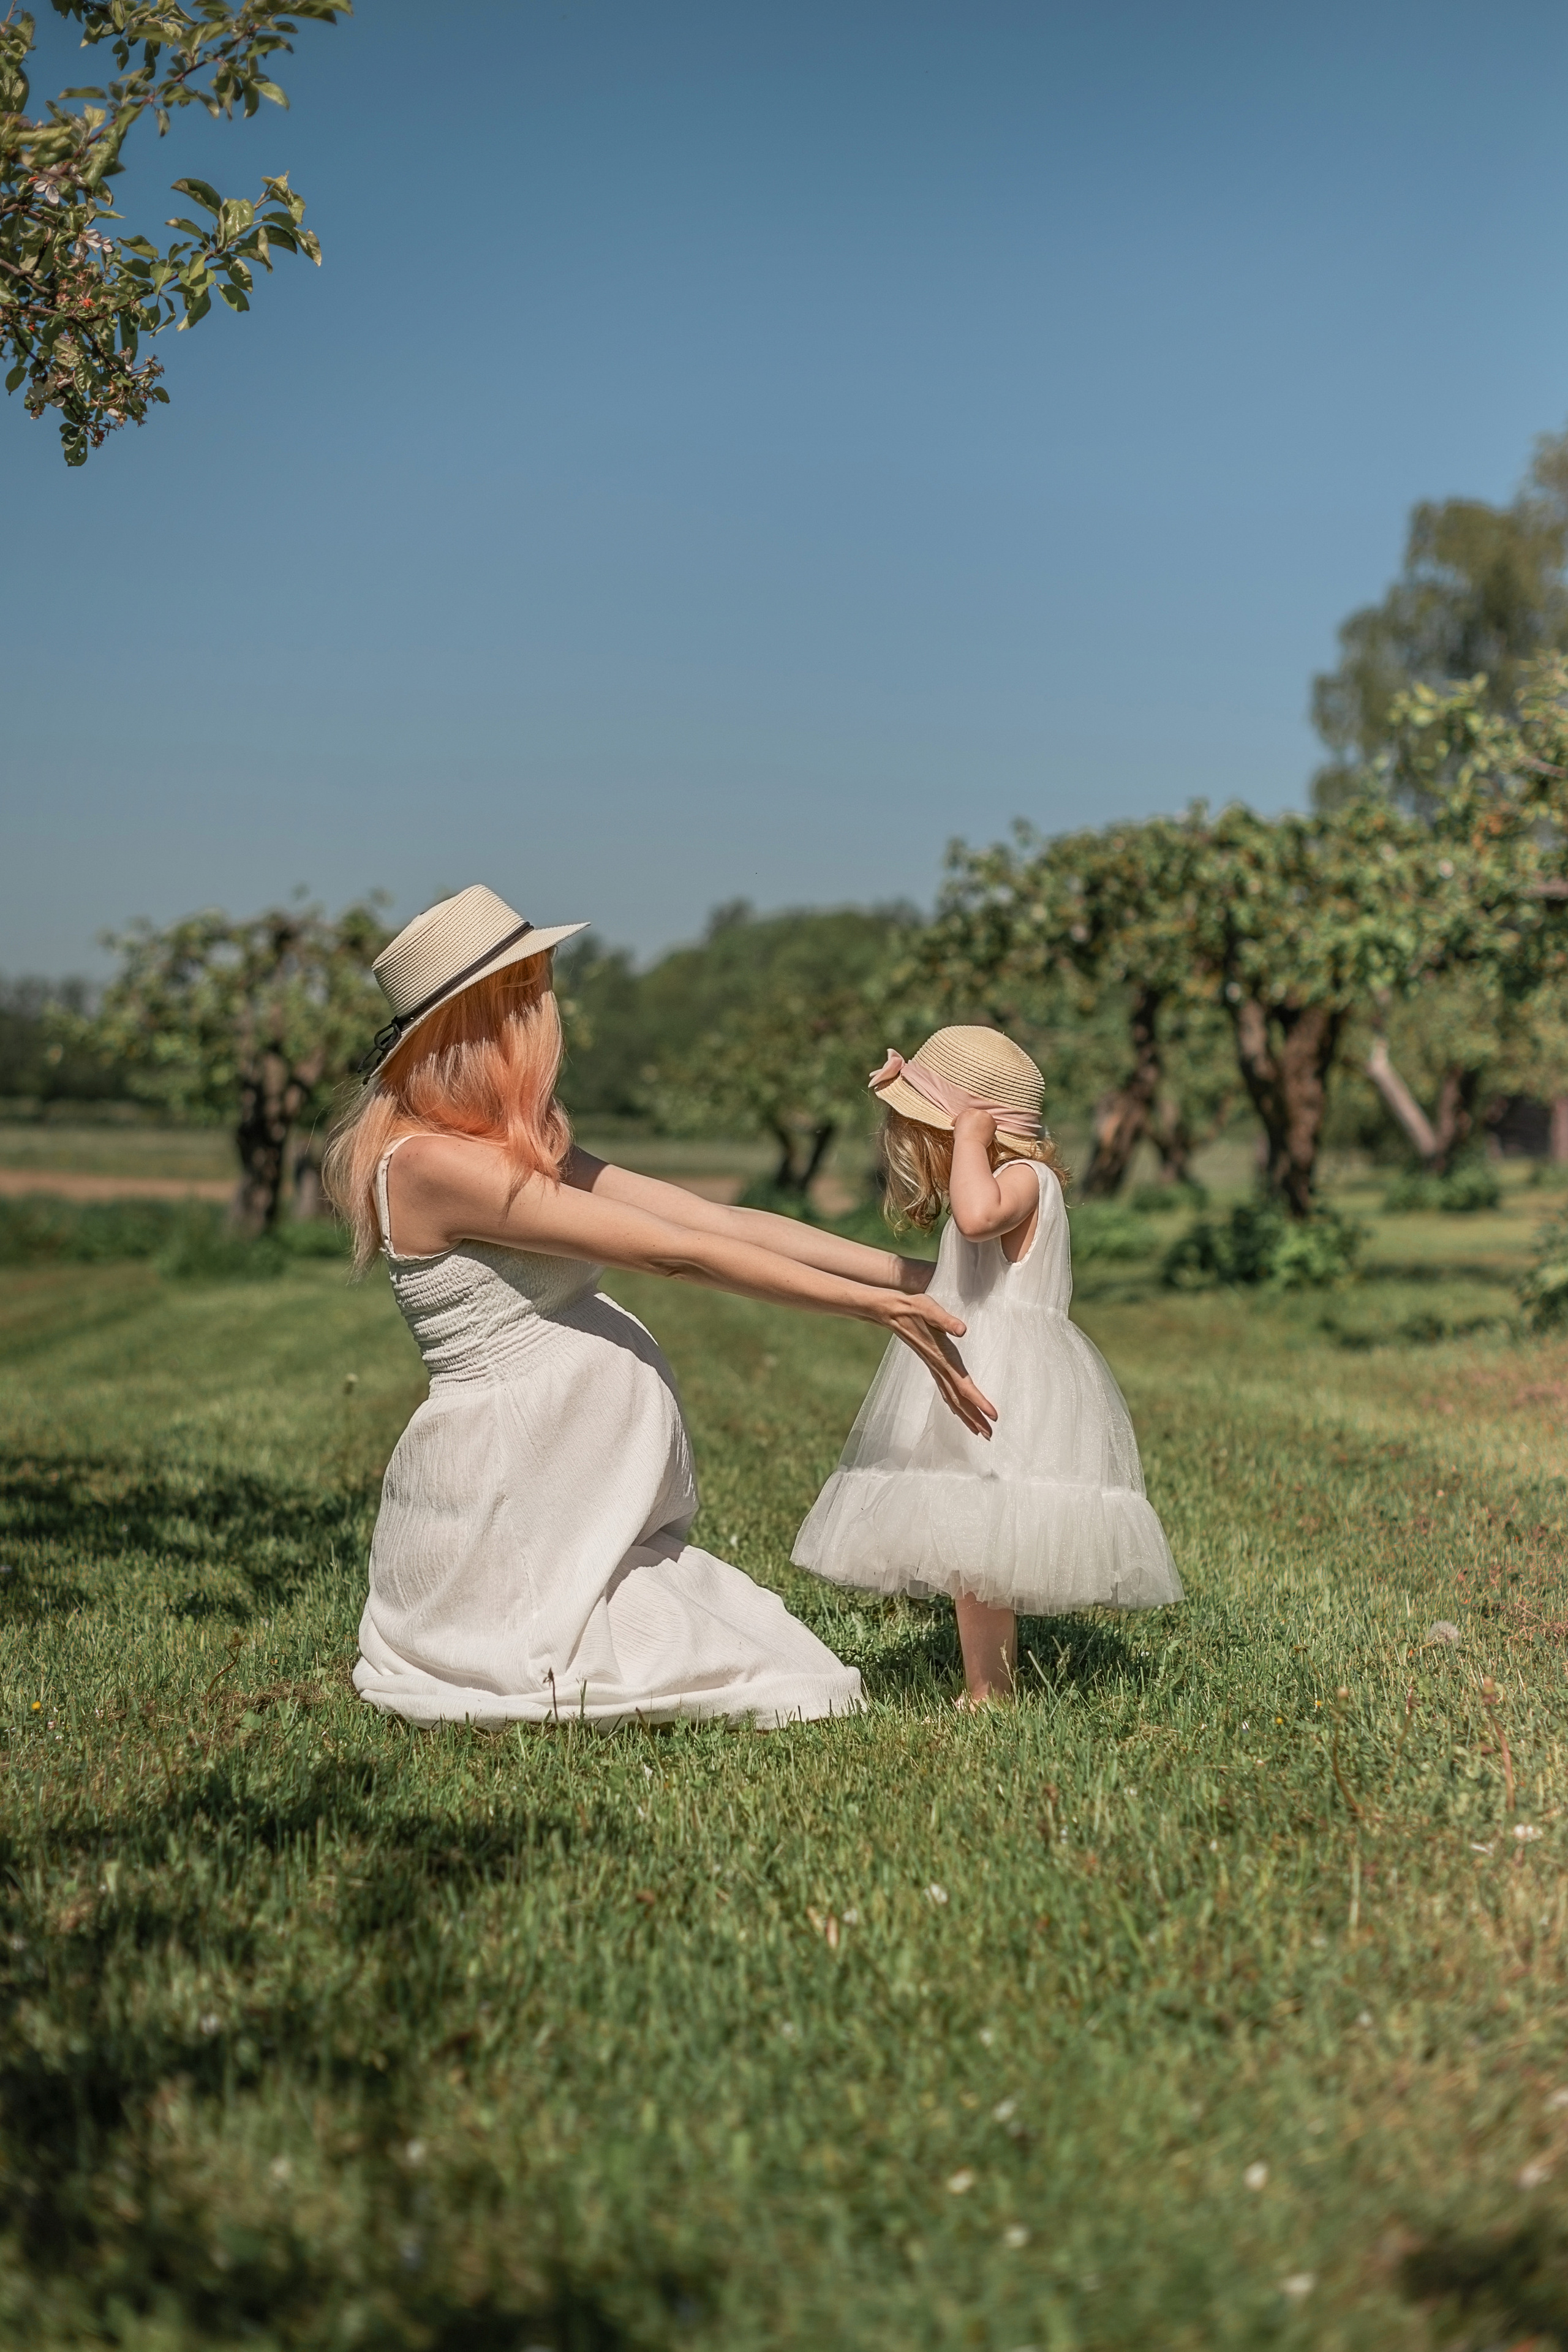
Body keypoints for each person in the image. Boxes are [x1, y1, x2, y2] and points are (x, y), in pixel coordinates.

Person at [322, 886, 997, 1730]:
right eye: (532, 990)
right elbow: (672, 1254)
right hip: (509, 1497)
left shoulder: (512, 1146)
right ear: (487, 1019)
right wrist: (874, 1309)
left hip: (566, 1494)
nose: (549, 1009)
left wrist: (915, 1274)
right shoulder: (429, 1165)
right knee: (706, 1672)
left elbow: (711, 1219)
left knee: (768, 1655)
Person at [791, 1025, 1181, 1706]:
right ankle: (985, 1682)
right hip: (975, 1363)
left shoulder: (1021, 1180)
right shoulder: (1010, 1180)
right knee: (973, 1551)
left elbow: (973, 1219)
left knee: (983, 1538)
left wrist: (968, 1138)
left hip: (1003, 1376)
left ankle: (989, 1690)